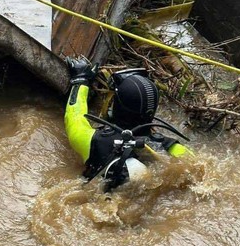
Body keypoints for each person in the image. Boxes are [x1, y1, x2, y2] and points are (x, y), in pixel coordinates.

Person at [64, 58, 192, 190]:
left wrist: (80, 80)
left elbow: (74, 116)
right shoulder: (170, 146)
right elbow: (199, 168)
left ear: (118, 106)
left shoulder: (95, 141)